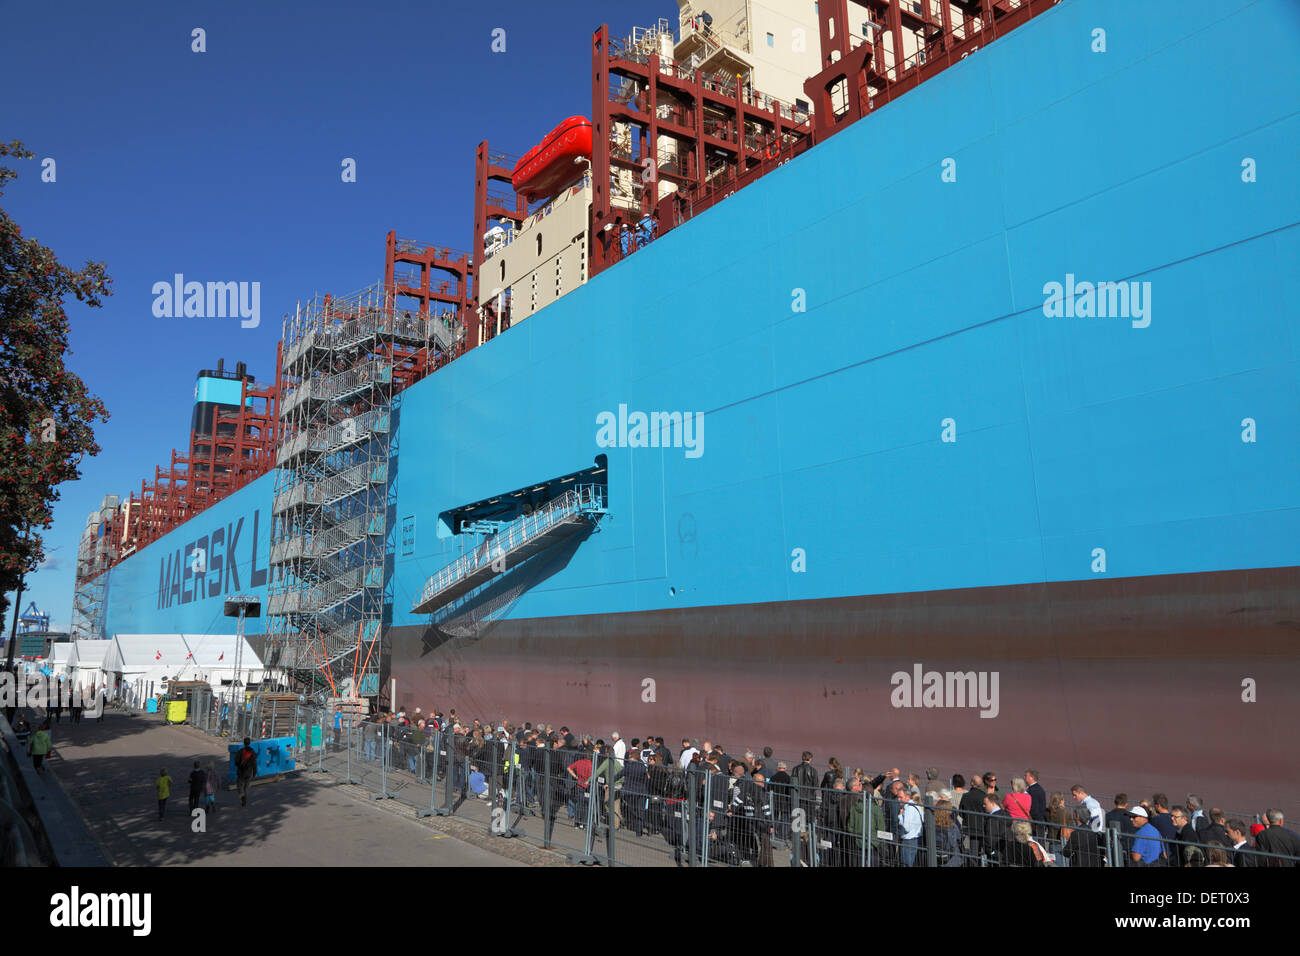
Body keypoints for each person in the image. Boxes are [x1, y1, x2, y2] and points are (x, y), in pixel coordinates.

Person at [235, 737, 258, 807]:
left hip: (241, 772)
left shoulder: (241, 751)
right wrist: (254, 772)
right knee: (246, 787)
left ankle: (242, 796)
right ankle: (244, 798)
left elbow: (236, 761)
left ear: (244, 743)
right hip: (249, 772)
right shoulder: (253, 752)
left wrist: (239, 764)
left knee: (239, 786)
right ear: (249, 743)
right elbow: (254, 763)